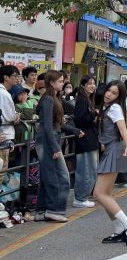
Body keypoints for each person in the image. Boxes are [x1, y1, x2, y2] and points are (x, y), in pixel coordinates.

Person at [93, 81, 127, 244]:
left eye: (114, 93)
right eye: (108, 91)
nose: (109, 94)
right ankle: (119, 230)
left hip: (115, 149)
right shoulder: (107, 107)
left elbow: (122, 128)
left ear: (119, 96)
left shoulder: (114, 108)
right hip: (112, 148)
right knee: (105, 194)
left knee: (99, 194)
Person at [33, 71, 72, 223]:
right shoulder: (49, 99)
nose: (63, 84)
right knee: (61, 177)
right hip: (49, 141)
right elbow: (48, 126)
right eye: (60, 81)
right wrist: (56, 148)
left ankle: (42, 211)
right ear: (51, 82)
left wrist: (74, 130)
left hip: (47, 140)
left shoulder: (51, 98)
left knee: (47, 177)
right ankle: (53, 210)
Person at [73, 76, 99, 208]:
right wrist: (94, 115)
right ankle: (80, 198)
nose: (92, 86)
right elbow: (80, 119)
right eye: (89, 84)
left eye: (94, 84)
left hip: (90, 138)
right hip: (85, 139)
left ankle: (83, 196)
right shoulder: (82, 100)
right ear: (83, 85)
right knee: (86, 170)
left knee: (90, 169)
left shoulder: (88, 99)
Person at [0, 66, 21, 176]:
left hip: (3, 134)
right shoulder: (3, 93)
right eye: (14, 76)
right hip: (4, 136)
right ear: (6, 77)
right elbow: (10, 116)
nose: (17, 79)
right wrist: (16, 115)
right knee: (1, 172)